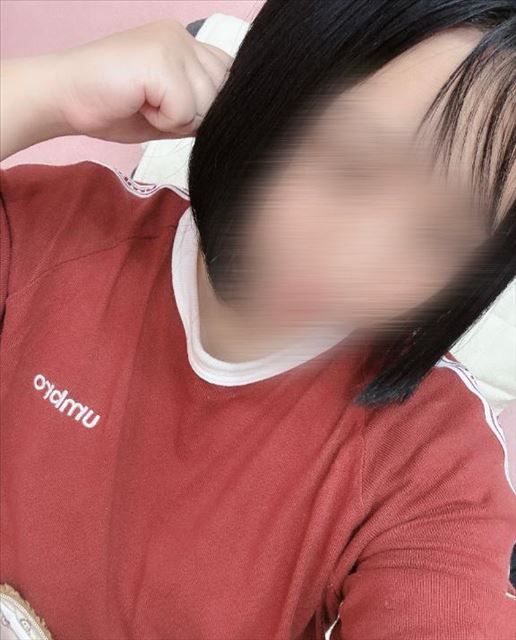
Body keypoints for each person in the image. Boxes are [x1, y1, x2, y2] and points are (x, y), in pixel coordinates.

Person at [0, 1, 515, 639]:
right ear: (265, 89)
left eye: (440, 237)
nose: (356, 262)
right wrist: (44, 93)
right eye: (350, 166)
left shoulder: (434, 459)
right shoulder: (51, 238)